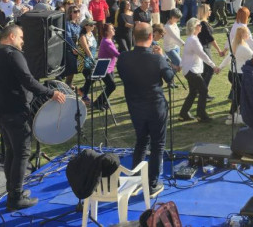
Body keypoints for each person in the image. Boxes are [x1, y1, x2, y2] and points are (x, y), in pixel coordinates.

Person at [0, 24, 66, 210]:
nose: (22, 42)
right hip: (14, 111)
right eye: (20, 38)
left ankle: (13, 190)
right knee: (22, 152)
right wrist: (50, 92)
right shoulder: (13, 55)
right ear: (11, 37)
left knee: (12, 151)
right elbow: (28, 80)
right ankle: (16, 197)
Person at [117, 22, 175, 198]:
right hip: (155, 106)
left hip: (135, 107)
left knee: (141, 142)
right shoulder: (157, 58)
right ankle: (152, 184)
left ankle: (134, 181)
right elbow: (170, 78)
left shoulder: (123, 58)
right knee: (157, 145)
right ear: (151, 37)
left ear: (134, 37)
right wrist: (163, 58)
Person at [179, 18, 219, 122]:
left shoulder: (190, 38)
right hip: (192, 71)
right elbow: (203, 55)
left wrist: (181, 65)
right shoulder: (193, 40)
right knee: (204, 90)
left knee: (193, 92)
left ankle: (183, 114)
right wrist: (213, 66)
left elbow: (185, 55)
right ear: (195, 27)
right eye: (199, 25)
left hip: (190, 70)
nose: (201, 26)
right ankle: (201, 115)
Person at [221, 25, 253, 125]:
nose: (249, 34)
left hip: (232, 74)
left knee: (239, 95)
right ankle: (232, 117)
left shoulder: (235, 44)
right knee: (240, 96)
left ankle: (237, 115)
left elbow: (228, 58)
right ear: (243, 35)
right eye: (247, 33)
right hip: (240, 75)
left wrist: (220, 67)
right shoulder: (243, 48)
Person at [94, 24, 120, 110]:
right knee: (112, 86)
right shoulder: (106, 42)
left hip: (109, 68)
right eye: (112, 29)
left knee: (110, 86)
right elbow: (116, 54)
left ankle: (102, 102)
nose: (114, 30)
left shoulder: (109, 40)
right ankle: (97, 103)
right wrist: (127, 56)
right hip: (104, 68)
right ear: (107, 32)